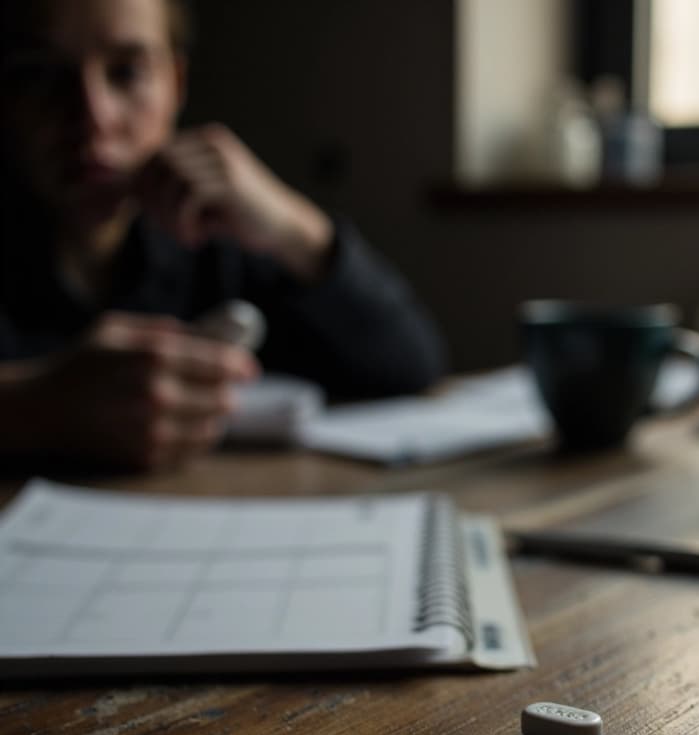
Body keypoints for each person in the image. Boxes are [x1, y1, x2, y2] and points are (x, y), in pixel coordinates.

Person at [0, 0, 445, 471]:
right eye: (41, 75)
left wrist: (293, 225)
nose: (92, 117)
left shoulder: (212, 236)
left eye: (127, 72)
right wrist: (29, 407)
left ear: (176, 82)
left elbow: (409, 363)